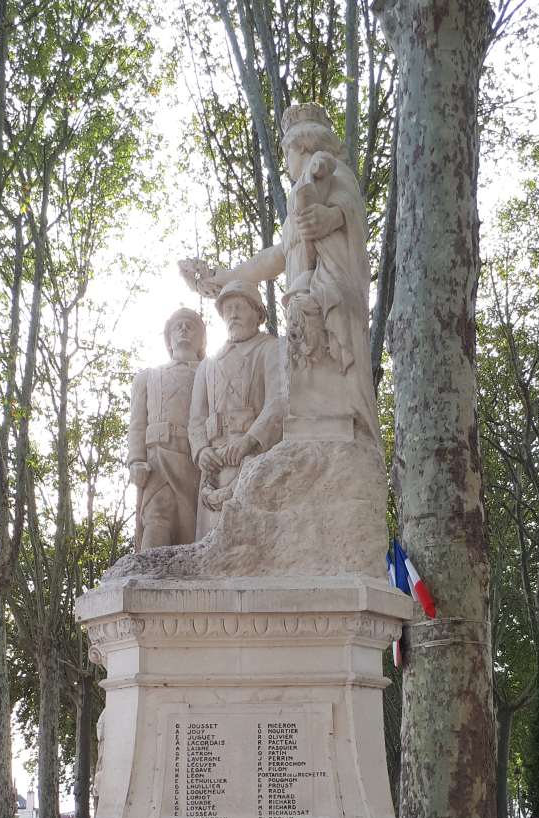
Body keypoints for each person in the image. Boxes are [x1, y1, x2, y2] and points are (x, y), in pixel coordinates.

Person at [180, 102, 380, 447]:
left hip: (328, 294)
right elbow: (275, 257)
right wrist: (223, 278)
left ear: (300, 146)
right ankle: (318, 436)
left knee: (328, 376)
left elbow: (350, 210)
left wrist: (332, 218)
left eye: (286, 152)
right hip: (307, 299)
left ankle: (338, 434)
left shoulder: (331, 173)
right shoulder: (297, 202)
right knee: (310, 380)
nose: (285, 161)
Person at [188, 280, 283, 538]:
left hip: (252, 459)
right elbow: (196, 418)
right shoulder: (208, 364)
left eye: (240, 307)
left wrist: (249, 441)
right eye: (228, 309)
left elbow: (278, 402)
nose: (233, 314)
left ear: (259, 314)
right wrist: (201, 451)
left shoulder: (271, 349)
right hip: (214, 467)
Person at [128, 307, 207, 549]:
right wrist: (135, 460)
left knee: (192, 525)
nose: (183, 329)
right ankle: (147, 578)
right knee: (156, 514)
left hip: (194, 460)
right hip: (157, 460)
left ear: (201, 339)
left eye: (190, 326)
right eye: (177, 326)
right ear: (169, 338)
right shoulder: (148, 377)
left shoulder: (211, 373)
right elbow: (137, 424)